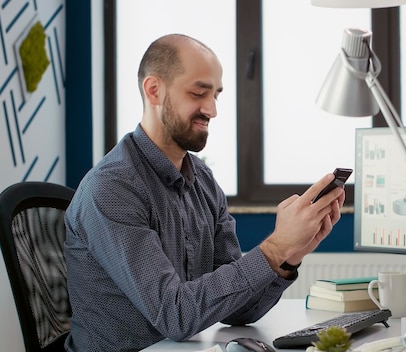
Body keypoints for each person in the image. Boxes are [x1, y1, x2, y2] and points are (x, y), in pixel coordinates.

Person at [64, 33, 345, 351]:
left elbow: (238, 310)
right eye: (199, 93)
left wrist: (290, 255)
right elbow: (176, 316)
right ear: (154, 90)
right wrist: (274, 248)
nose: (212, 110)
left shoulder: (203, 181)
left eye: (216, 95)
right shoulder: (112, 189)